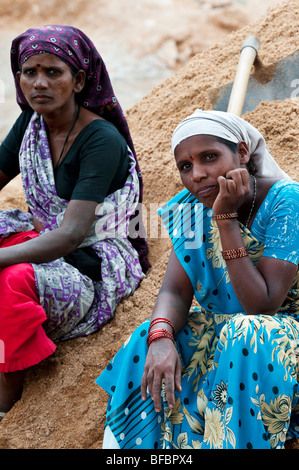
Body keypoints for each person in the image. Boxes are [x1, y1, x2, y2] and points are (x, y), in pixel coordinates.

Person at [96, 109, 299, 449]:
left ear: (243, 153)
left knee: (246, 332)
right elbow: (175, 292)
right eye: (186, 166)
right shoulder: (192, 208)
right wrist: (161, 337)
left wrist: (225, 220)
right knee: (148, 335)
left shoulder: (286, 202)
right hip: (229, 337)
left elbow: (261, 306)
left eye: (210, 157)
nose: (199, 175)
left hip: (279, 337)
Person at [0, 24, 149, 419]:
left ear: (79, 80)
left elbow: (70, 235)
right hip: (50, 238)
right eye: (29, 72)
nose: (39, 83)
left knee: (10, 281)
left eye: (53, 72)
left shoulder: (100, 140)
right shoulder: (31, 125)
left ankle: (6, 398)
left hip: (95, 260)